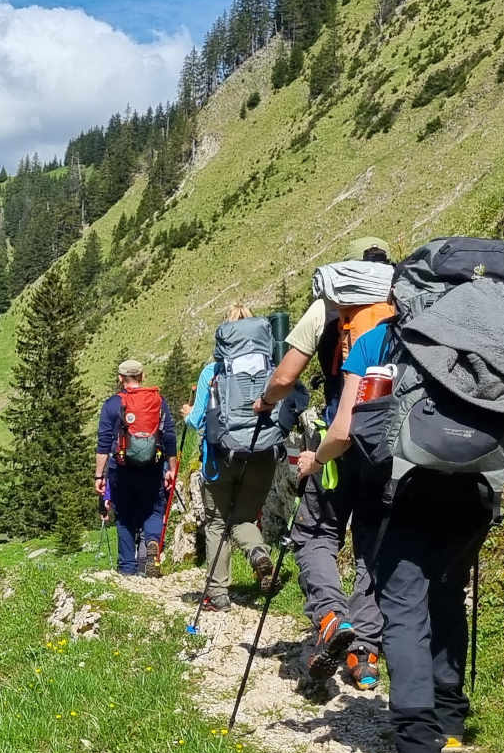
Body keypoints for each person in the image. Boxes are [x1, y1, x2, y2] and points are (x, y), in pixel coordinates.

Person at [293, 280, 472, 753]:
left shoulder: (378, 336)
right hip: (469, 476)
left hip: (385, 467)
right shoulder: (474, 336)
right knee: (434, 588)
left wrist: (316, 457)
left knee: (356, 561)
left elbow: (348, 427)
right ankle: (441, 712)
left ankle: (336, 624)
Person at [256, 237, 393, 688]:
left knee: (315, 535)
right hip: (390, 445)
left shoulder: (330, 305)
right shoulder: (401, 303)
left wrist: (265, 402)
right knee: (374, 547)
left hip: (337, 440)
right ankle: (365, 658)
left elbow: (286, 376)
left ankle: (332, 617)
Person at [183, 303, 283, 611]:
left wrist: (188, 414)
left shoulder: (212, 371)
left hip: (222, 458)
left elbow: (199, 420)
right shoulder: (274, 367)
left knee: (217, 522)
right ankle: (259, 556)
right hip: (263, 453)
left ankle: (218, 594)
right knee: (244, 517)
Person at [93, 359, 177, 576]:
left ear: (121, 379)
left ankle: (127, 569)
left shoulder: (112, 404)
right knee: (154, 510)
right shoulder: (158, 401)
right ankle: (151, 545)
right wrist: (172, 468)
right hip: (153, 467)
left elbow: (103, 443)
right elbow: (169, 436)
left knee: (125, 516)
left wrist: (99, 476)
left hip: (121, 469)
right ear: (142, 376)